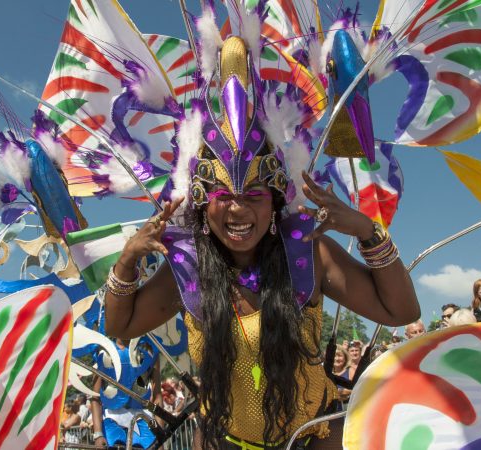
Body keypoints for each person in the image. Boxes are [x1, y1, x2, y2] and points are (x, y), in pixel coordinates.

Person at [102, 33, 420, 450]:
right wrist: (127, 262)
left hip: (315, 437)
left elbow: (400, 311)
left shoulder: (307, 251)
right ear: (202, 205)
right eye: (223, 198)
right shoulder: (189, 263)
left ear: (273, 202)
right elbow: (119, 325)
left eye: (253, 197)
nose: (237, 211)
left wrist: (367, 232)